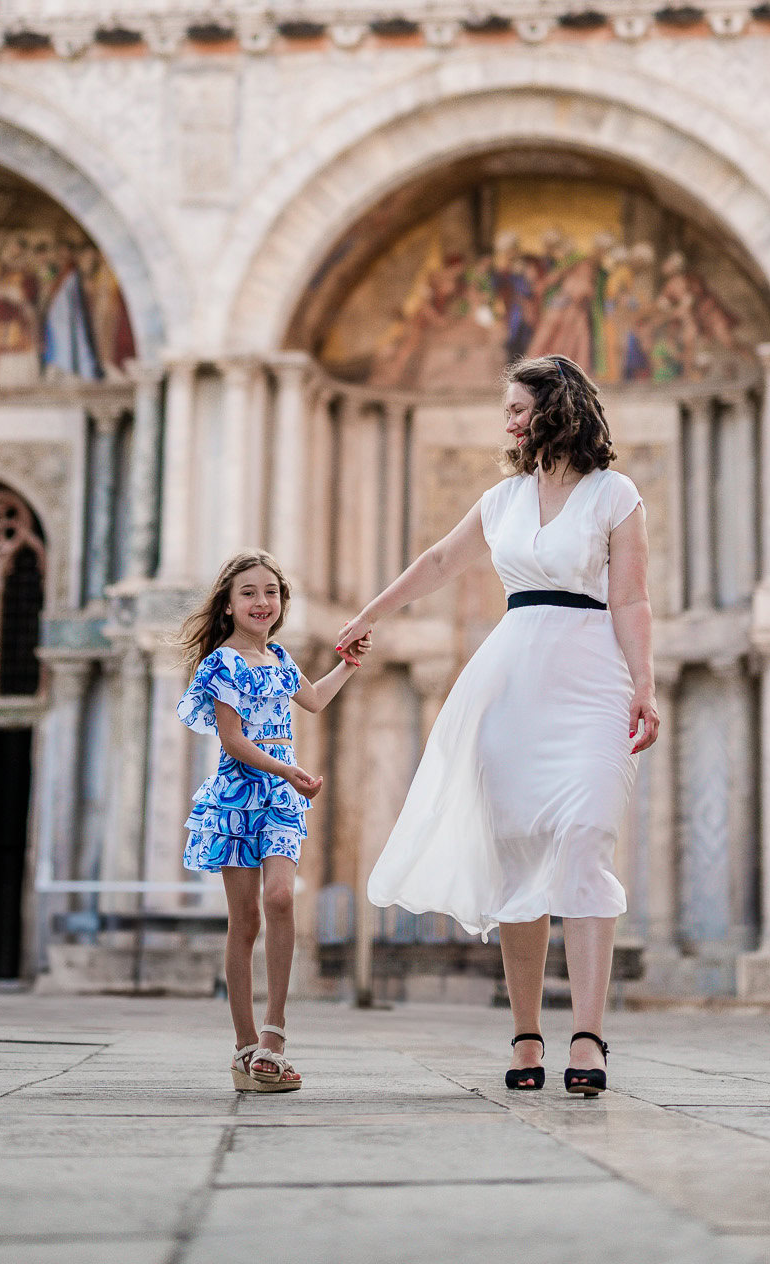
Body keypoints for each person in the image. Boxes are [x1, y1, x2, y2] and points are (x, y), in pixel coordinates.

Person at [336, 354, 660, 1096]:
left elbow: (633, 600)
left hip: (593, 679)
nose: (508, 420)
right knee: (518, 857)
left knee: (584, 836)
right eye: (507, 408)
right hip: (510, 681)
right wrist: (369, 614)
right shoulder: (502, 499)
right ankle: (524, 1033)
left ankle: (588, 1034)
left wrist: (644, 685)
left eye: (518, 407)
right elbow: (440, 561)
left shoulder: (617, 495)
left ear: (558, 407)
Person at [178, 550, 368, 1094]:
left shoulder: (281, 658)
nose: (262, 602)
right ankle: (243, 1047)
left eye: (271, 592)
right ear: (230, 605)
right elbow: (233, 740)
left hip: (283, 797)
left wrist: (348, 665)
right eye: (249, 593)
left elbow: (312, 700)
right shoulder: (220, 663)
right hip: (239, 796)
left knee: (281, 897)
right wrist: (288, 768)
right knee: (246, 921)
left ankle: (274, 1035)